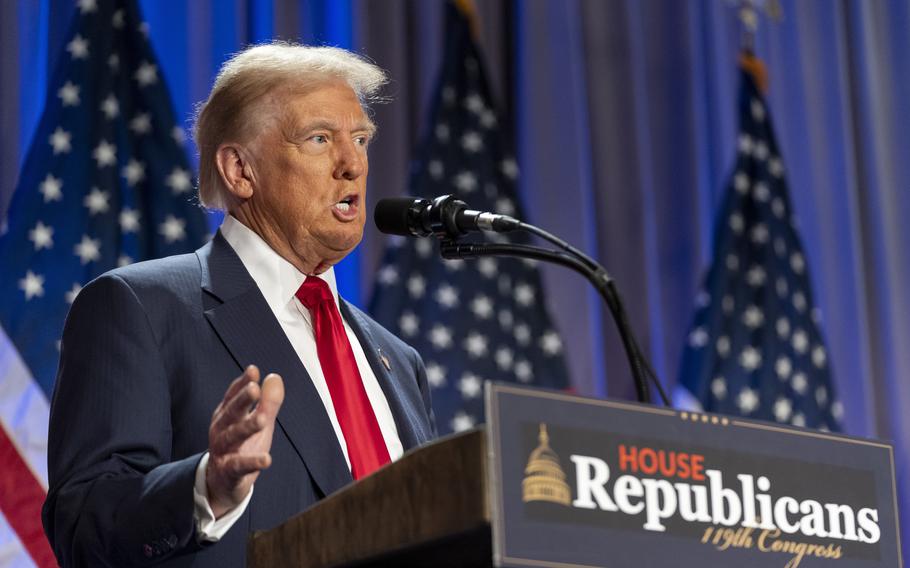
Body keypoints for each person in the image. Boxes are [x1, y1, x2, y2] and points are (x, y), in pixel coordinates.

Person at [42, 43, 436, 567]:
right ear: (239, 170)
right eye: (320, 138)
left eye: (360, 138)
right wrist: (208, 486)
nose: (353, 164)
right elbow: (83, 522)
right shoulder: (140, 307)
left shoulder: (398, 361)